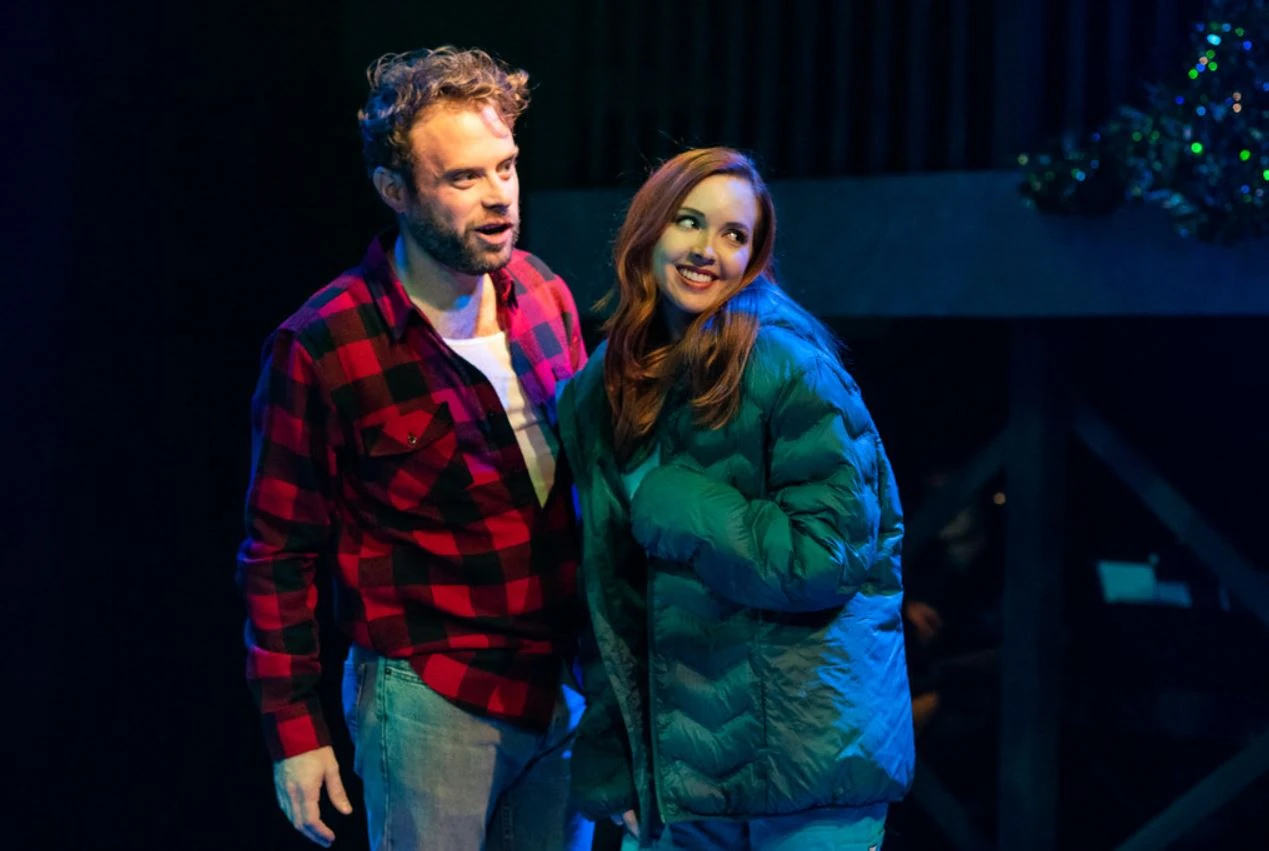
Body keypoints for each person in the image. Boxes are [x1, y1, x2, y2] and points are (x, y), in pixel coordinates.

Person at [236, 46, 592, 851]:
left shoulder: (544, 293)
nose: (498, 195)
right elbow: (278, 551)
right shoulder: (325, 342)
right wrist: (296, 731)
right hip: (433, 693)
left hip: (558, 687)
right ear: (394, 190)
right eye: (462, 178)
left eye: (505, 166)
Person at [557, 147, 915, 851]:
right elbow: (609, 598)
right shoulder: (605, 389)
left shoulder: (786, 363)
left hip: (805, 766)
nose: (706, 250)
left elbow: (826, 553)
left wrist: (676, 504)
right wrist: (618, 761)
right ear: (649, 228)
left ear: (753, 257)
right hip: (685, 773)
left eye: (733, 235)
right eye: (689, 221)